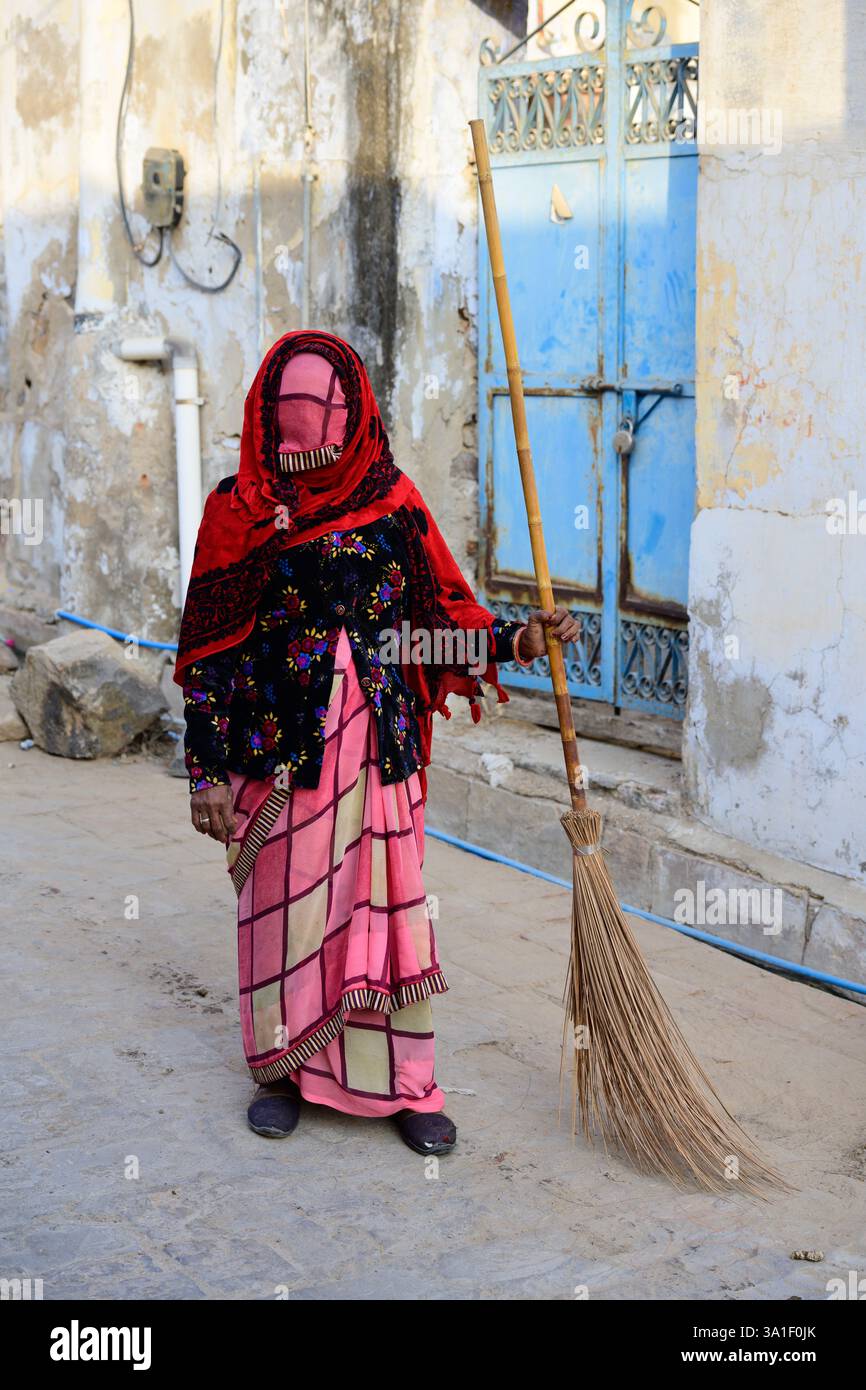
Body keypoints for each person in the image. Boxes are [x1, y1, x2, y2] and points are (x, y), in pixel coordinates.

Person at [174, 330, 579, 1154]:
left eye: (316, 436)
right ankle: (283, 1069)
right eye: (287, 443)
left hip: (380, 751)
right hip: (281, 756)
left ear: (351, 419)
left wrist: (515, 644)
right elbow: (210, 652)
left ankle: (405, 1085)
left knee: (387, 916)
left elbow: (432, 628)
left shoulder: (393, 503)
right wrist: (206, 770)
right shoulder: (239, 509)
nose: (300, 463)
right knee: (286, 915)